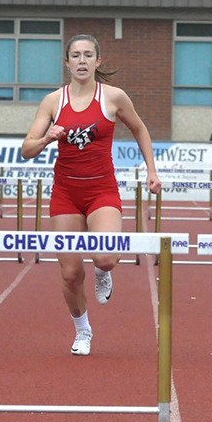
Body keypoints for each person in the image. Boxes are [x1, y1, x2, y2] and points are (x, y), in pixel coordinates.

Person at [21, 34, 161, 356]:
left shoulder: (113, 97)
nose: (81, 61)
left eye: (87, 55)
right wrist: (47, 139)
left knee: (106, 257)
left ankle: (102, 272)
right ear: (67, 62)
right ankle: (83, 330)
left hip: (101, 190)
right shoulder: (53, 102)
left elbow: (139, 128)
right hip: (66, 193)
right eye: (75, 55)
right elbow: (27, 148)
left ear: (97, 61)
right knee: (70, 272)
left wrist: (151, 170)